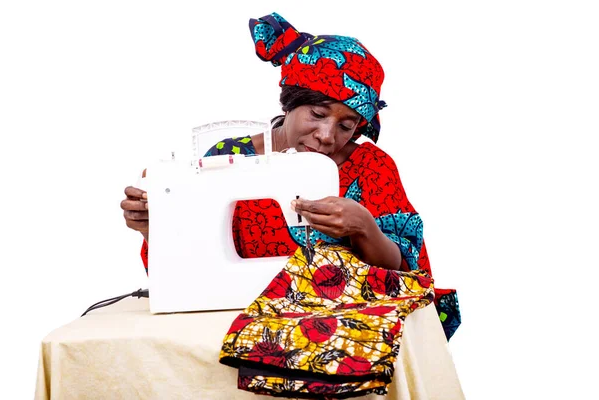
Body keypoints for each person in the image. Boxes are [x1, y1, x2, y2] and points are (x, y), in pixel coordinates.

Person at [120, 12, 460, 397]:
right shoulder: (229, 157)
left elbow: (402, 274)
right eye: (317, 114)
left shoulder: (371, 167)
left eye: (347, 125)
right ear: (291, 101)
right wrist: (156, 227)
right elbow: (186, 268)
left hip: (345, 332)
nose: (327, 135)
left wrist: (364, 227)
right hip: (232, 322)